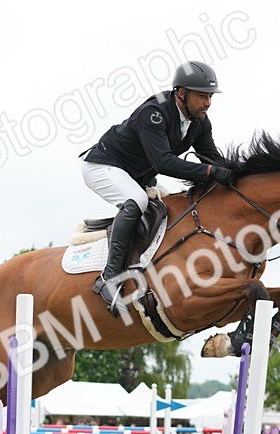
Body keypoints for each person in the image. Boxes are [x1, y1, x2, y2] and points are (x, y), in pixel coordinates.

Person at [81, 60, 233, 314]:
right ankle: (109, 278)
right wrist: (209, 172)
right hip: (102, 166)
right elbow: (163, 162)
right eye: (202, 96)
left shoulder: (200, 122)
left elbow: (213, 159)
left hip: (137, 175)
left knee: (174, 204)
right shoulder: (154, 113)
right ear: (181, 93)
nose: (207, 103)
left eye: (210, 96)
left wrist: (239, 172)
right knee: (138, 201)